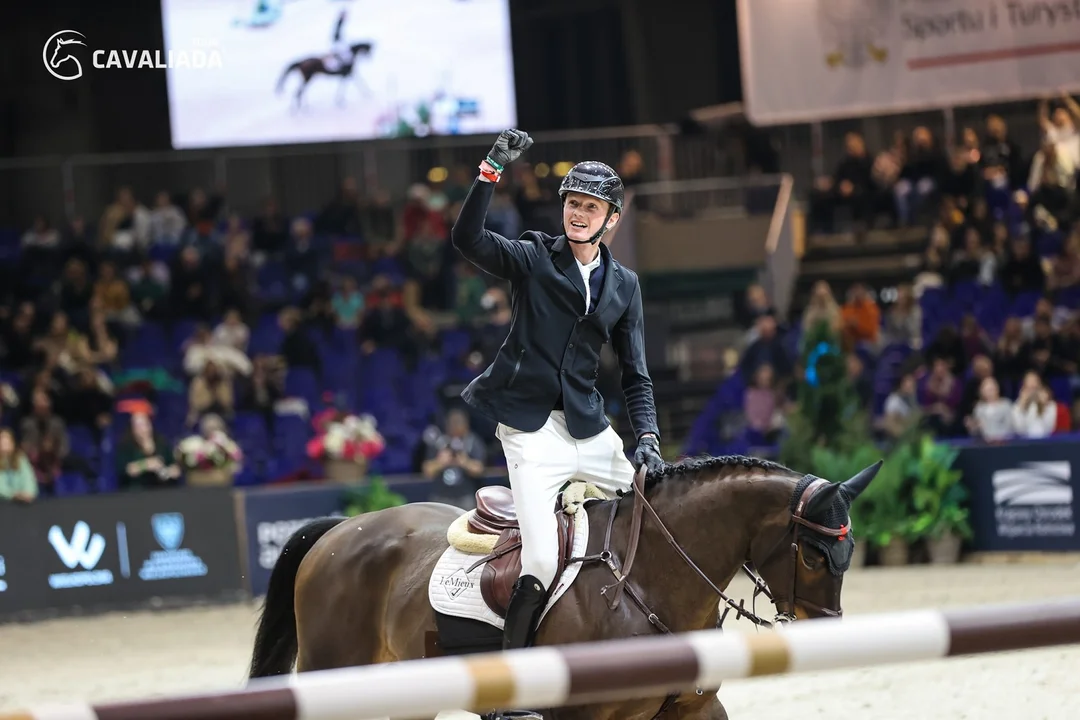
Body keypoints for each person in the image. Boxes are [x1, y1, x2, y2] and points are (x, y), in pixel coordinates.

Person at [451, 129, 664, 720]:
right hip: (529, 428)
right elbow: (466, 237)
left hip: (590, 429)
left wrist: (646, 435)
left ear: (610, 219)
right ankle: (507, 696)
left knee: (658, 521)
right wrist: (492, 167)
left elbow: (637, 376)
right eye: (572, 203)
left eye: (590, 207)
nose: (577, 213)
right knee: (542, 557)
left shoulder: (625, 286)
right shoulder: (533, 257)